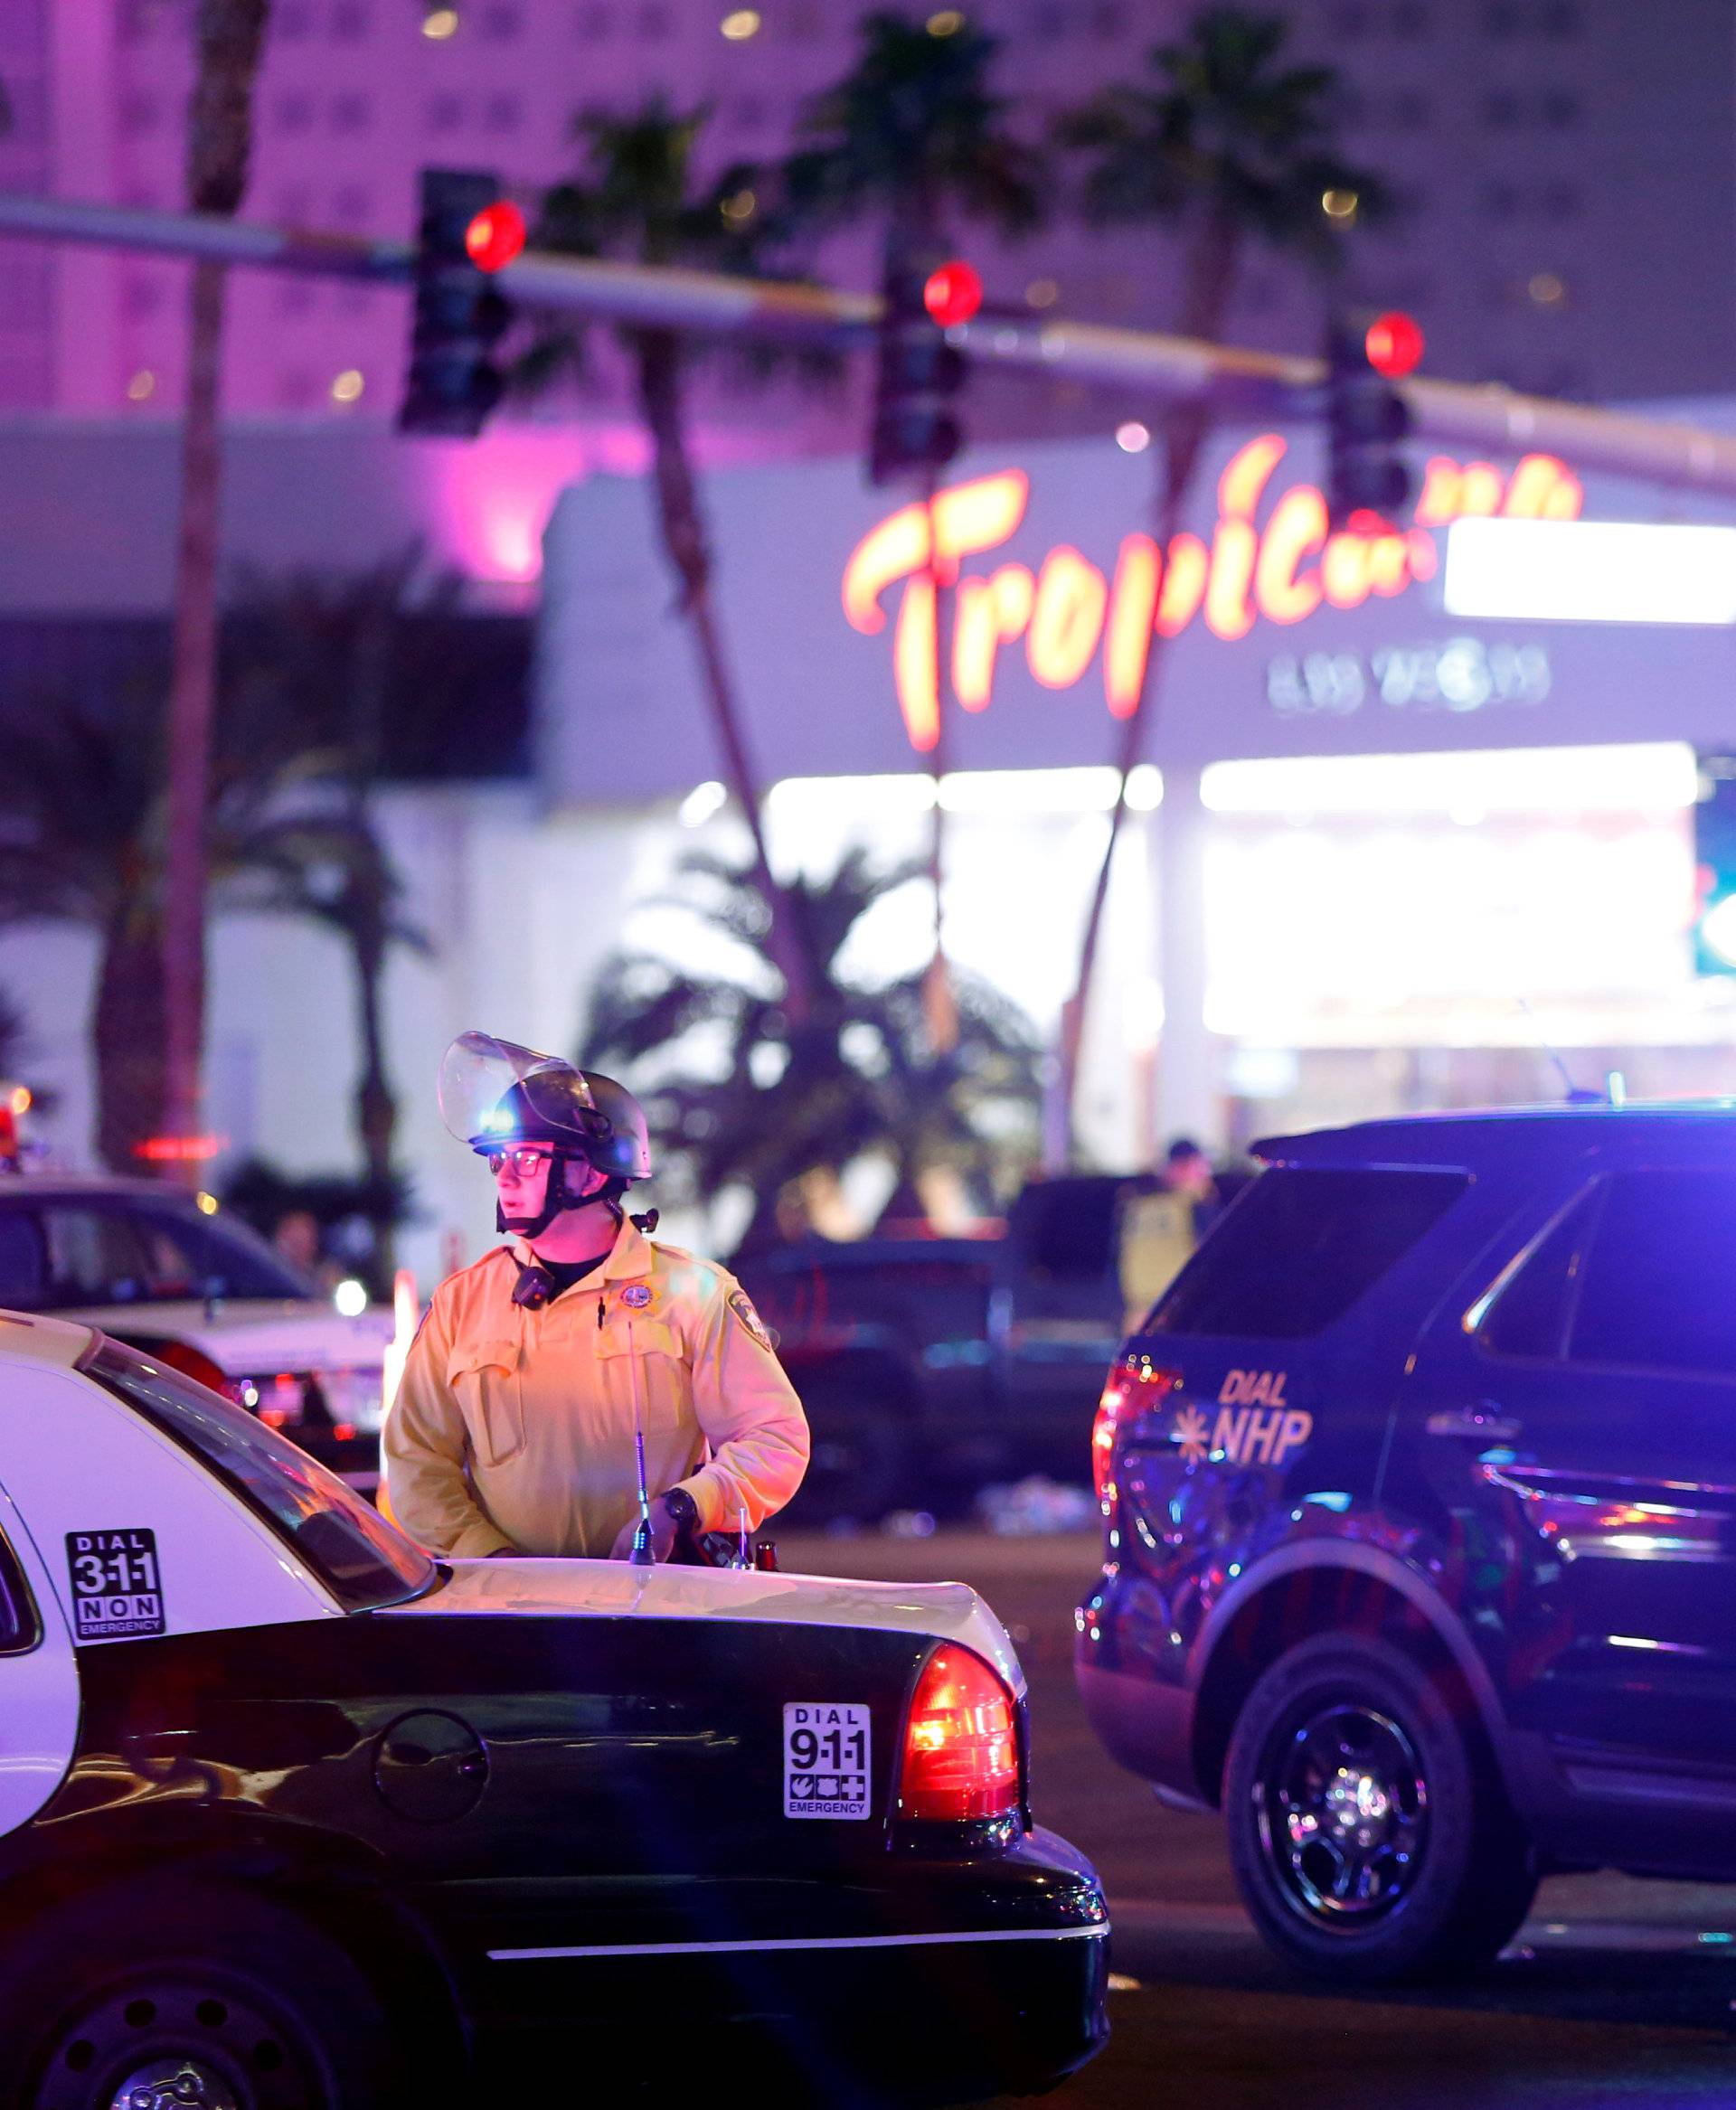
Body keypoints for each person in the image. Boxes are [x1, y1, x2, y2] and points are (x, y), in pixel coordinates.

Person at [384, 1031, 809, 1560]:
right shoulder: (461, 1303)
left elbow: (776, 1439)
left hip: (654, 1610)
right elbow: (414, 1461)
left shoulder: (692, 1294)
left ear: (592, 1170)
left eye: (530, 1159)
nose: (506, 1177)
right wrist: (489, 1558)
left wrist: (685, 1507)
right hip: (510, 1616)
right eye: (498, 1160)